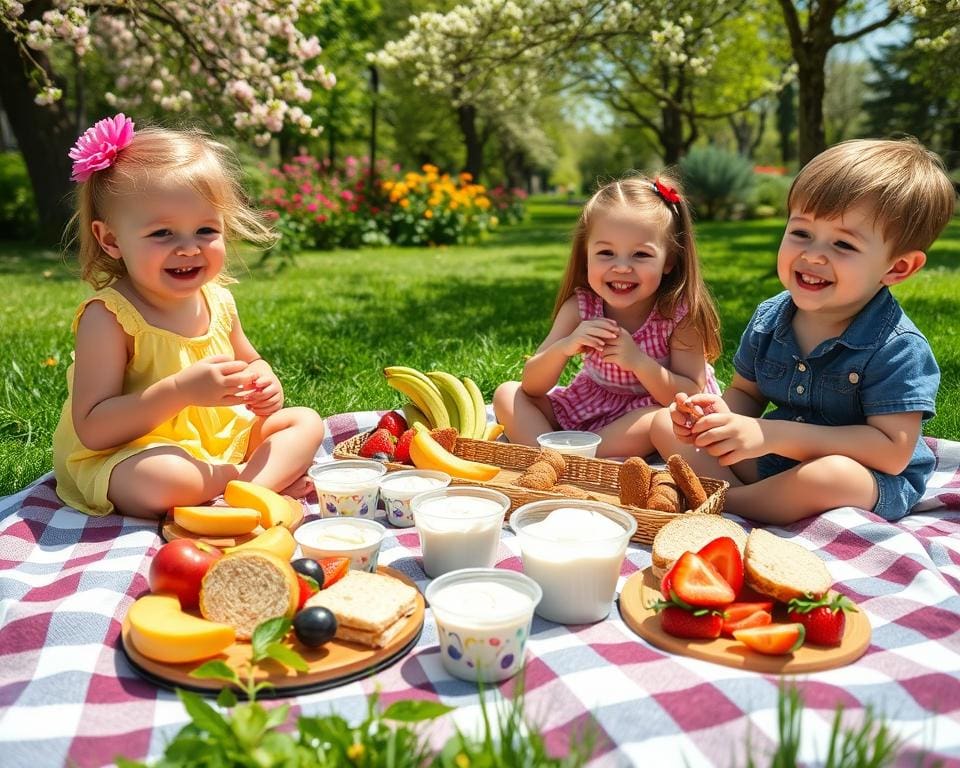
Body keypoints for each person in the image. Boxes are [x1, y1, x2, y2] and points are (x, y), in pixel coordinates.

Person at [652, 137, 955, 524]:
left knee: (830, 476)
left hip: (865, 478)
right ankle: (752, 497)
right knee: (664, 424)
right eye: (801, 233)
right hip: (774, 459)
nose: (813, 255)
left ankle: (729, 505)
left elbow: (891, 452)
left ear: (897, 268)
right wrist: (718, 419)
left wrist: (770, 435)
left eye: (843, 244)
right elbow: (746, 392)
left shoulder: (897, 348)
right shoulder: (770, 318)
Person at [52, 114, 326, 519]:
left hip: (219, 439)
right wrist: (180, 391)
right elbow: (94, 428)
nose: (188, 248)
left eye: (206, 231)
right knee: (158, 479)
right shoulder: (109, 317)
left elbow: (249, 361)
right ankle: (250, 482)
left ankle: (240, 491)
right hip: (136, 450)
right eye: (163, 234)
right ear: (111, 240)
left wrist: (264, 379)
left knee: (305, 422)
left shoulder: (217, 301)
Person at [494, 175, 722, 458]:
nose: (622, 267)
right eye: (606, 252)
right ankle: (555, 457)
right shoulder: (581, 307)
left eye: (640, 255)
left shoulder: (678, 313)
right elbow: (532, 384)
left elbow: (688, 394)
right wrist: (565, 347)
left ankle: (562, 456)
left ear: (669, 261)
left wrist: (638, 362)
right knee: (508, 394)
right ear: (586, 255)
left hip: (649, 412)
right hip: (592, 403)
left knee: (658, 421)